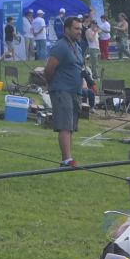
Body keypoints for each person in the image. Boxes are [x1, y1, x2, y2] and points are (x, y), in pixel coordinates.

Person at [42, 14, 86, 166]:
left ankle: (68, 158)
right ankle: (66, 159)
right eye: (76, 28)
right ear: (67, 29)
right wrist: (53, 85)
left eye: (80, 28)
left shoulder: (77, 47)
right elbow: (49, 69)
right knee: (65, 126)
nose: (79, 31)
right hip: (62, 90)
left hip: (75, 91)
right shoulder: (61, 46)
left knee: (71, 126)